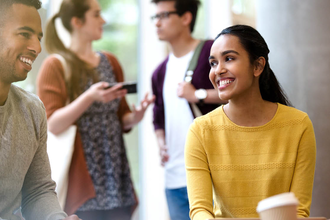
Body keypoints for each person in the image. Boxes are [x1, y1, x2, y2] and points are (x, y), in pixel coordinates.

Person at [37, 0, 154, 219]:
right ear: (77, 21)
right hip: (83, 180)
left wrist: (136, 116)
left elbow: (121, 118)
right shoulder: (55, 65)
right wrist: (89, 97)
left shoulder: (110, 61)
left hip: (116, 178)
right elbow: (52, 123)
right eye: (97, 15)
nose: (104, 20)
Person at [185, 24, 316, 219]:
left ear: (258, 66)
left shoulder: (299, 125)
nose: (218, 70)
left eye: (229, 59)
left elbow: (298, 212)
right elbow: (199, 210)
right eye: (213, 63)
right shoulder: (201, 130)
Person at [0, 0, 81, 220]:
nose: (36, 48)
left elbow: (36, 191)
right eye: (25, 34)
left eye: (38, 37)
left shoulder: (33, 110)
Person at [150, 0, 226, 219]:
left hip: (213, 174)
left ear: (186, 18)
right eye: (155, 17)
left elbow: (239, 93)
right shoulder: (159, 72)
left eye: (163, 16)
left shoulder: (211, 53)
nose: (157, 23)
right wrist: (161, 142)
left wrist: (198, 94)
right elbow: (158, 117)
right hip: (174, 178)